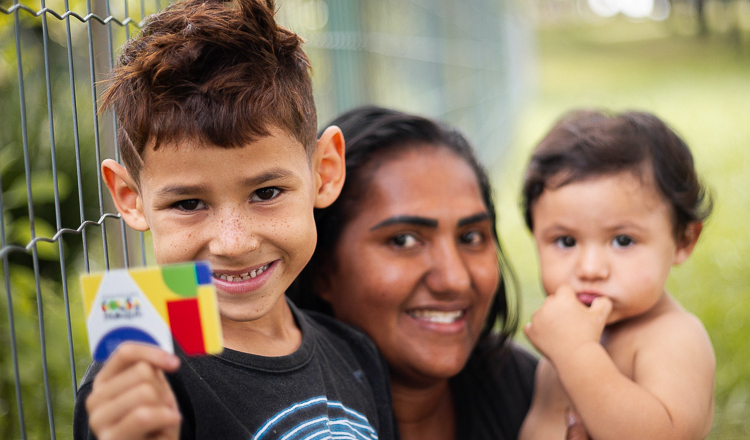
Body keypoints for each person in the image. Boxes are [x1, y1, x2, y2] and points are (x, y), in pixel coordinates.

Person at [72, 1, 397, 439]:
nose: (233, 243)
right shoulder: (142, 382)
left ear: (325, 172)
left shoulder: (356, 356)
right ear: (131, 199)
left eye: (266, 193)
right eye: (189, 204)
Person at [290, 106, 539, 440]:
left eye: (470, 237)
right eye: (404, 240)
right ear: (320, 267)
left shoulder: (529, 391)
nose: (454, 279)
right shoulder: (254, 411)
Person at [518, 109, 715, 440]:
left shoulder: (673, 337)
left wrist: (577, 353)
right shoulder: (566, 339)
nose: (590, 269)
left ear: (683, 240)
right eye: (565, 241)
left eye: (623, 241)